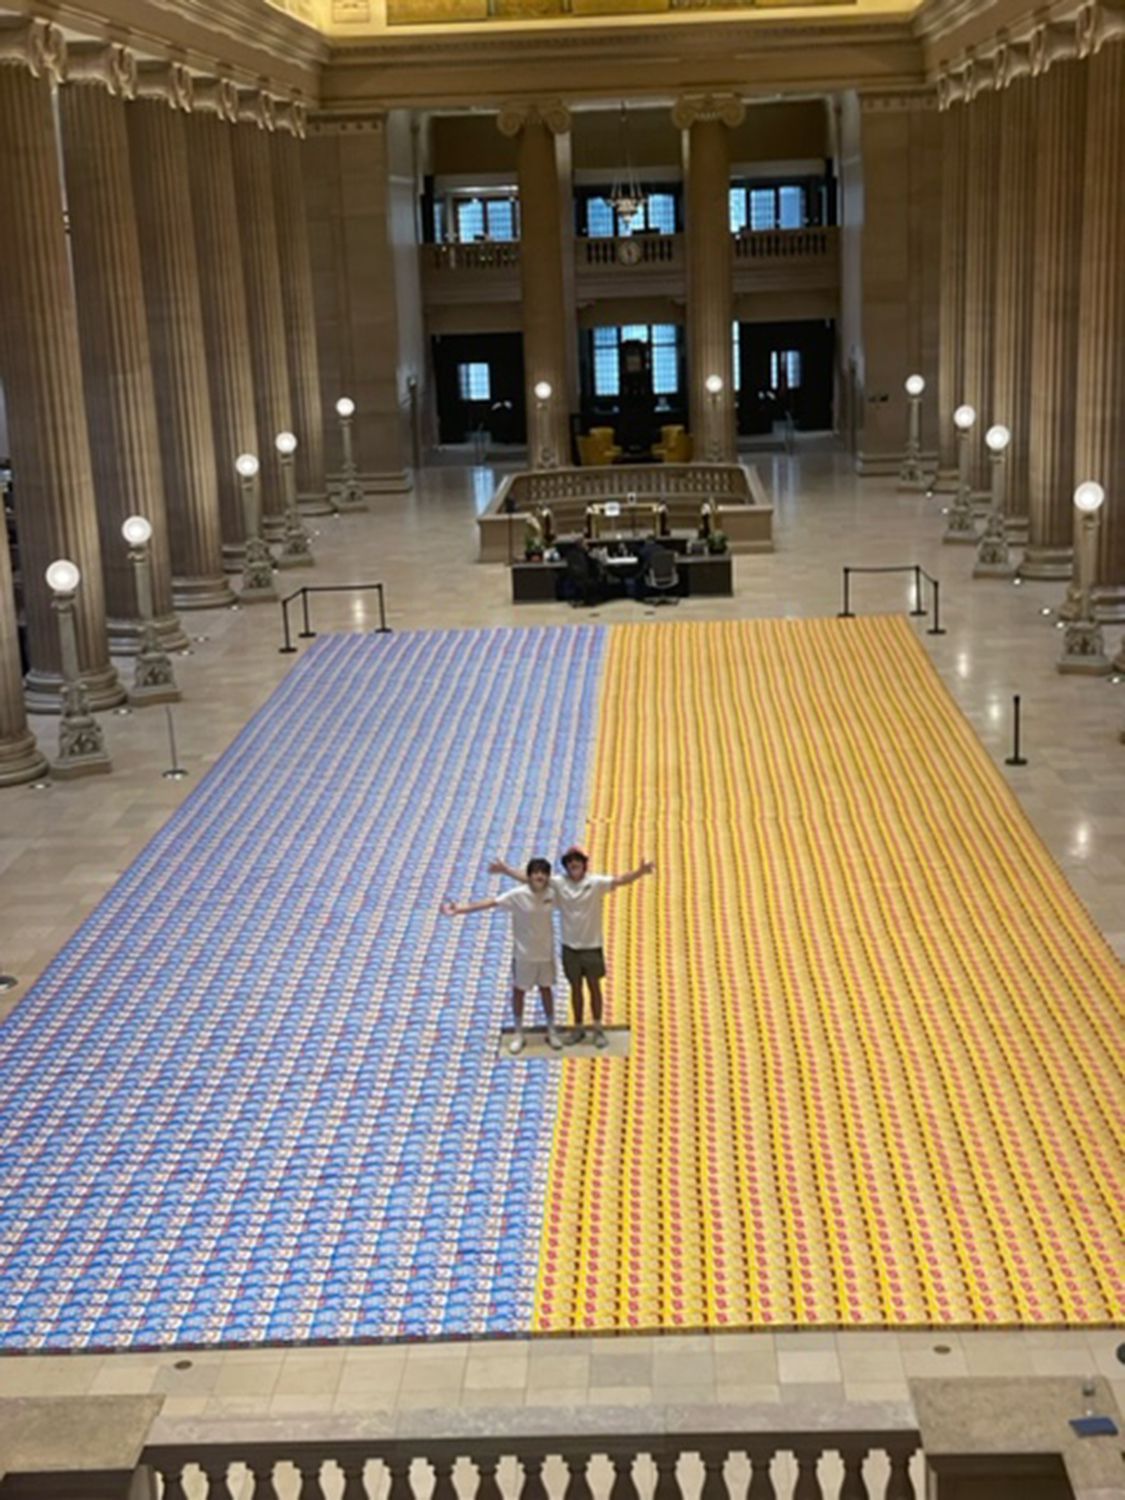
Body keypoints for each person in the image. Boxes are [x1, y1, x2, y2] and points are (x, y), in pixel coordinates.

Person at [488, 846, 655, 1049]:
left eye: (578, 860)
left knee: (594, 987)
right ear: (566, 866)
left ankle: (598, 1028)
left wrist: (640, 872)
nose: (574, 864)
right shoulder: (559, 883)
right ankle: (578, 1028)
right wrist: (506, 870)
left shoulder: (596, 882)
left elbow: (620, 880)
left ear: (585, 863)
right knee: (575, 988)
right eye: (570, 861)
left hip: (592, 946)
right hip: (570, 948)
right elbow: (532, 880)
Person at [441, 858, 562, 1056]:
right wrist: (461, 909)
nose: (539, 876)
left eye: (543, 873)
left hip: (546, 954)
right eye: (535, 873)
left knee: (546, 989)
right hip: (523, 955)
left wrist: (506, 869)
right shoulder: (517, 895)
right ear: (529, 876)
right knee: (519, 992)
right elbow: (491, 902)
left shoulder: (552, 893)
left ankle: (551, 1029)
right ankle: (518, 1032)